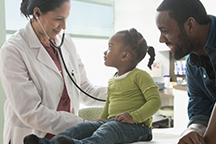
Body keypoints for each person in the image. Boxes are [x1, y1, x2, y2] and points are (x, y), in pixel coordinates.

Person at [23, 28, 162, 144]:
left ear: (125, 56)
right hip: (114, 121)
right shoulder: (113, 80)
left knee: (110, 129)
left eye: (110, 47)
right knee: (83, 127)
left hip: (139, 127)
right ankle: (48, 143)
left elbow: (155, 101)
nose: (105, 52)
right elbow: (109, 103)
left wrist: (133, 116)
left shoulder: (140, 76)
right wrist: (102, 118)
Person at [0, 0, 107, 144]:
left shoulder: (65, 41)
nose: (64, 26)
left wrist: (123, 93)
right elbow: (31, 112)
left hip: (65, 137)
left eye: (66, 18)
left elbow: (84, 88)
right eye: (58, 19)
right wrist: (83, 124)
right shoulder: (13, 50)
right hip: (32, 136)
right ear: (37, 13)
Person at [156, 0, 216, 143]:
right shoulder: (192, 64)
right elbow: (200, 112)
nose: (160, 39)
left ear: (190, 24)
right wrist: (194, 130)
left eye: (165, 31)